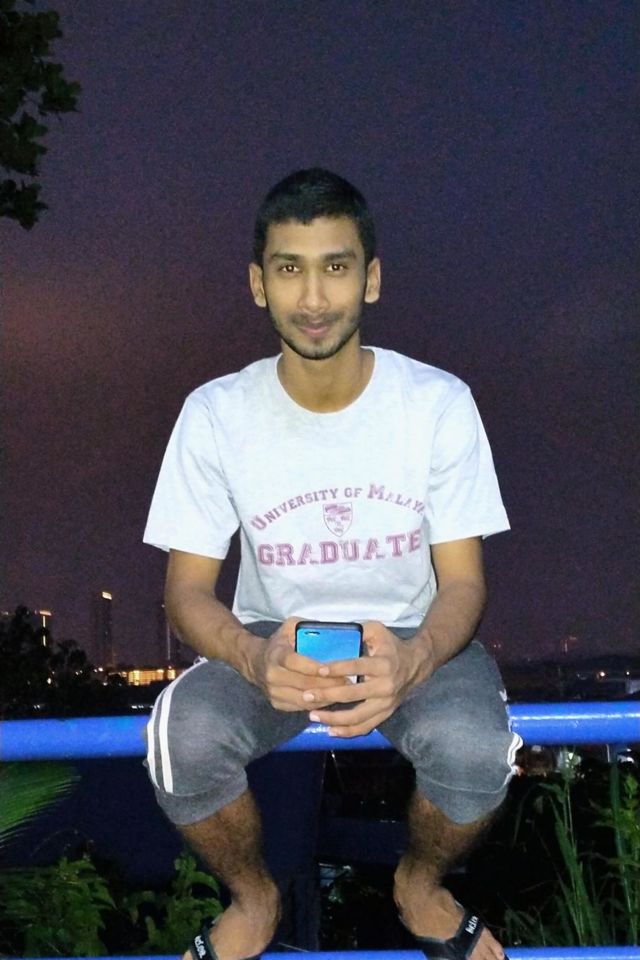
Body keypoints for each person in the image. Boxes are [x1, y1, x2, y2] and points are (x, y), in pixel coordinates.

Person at [143, 168, 521, 960]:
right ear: (258, 284)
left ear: (371, 279)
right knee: (183, 737)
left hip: (412, 631)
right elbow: (186, 591)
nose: (313, 297)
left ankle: (420, 887)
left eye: (336, 266)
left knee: (476, 749)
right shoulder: (215, 415)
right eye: (290, 268)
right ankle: (255, 898)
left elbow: (463, 582)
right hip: (270, 635)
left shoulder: (436, 404)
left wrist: (417, 657)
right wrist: (253, 654)